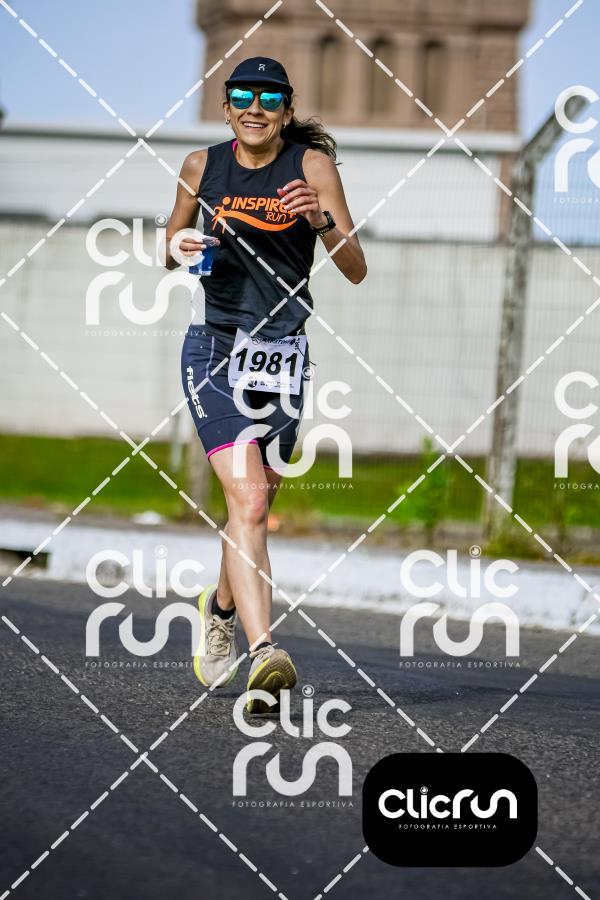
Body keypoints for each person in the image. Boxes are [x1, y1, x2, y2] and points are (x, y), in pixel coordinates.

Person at [165, 56, 366, 712]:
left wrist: (321, 221)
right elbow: (169, 241)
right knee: (249, 504)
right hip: (214, 350)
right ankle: (265, 652)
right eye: (243, 96)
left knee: (251, 508)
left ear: (286, 109)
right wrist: (179, 248)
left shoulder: (312, 167)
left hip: (281, 358)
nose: (256, 107)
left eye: (270, 97)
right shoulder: (201, 165)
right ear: (226, 107)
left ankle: (221, 608)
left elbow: (355, 268)